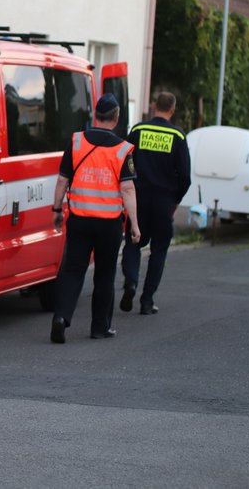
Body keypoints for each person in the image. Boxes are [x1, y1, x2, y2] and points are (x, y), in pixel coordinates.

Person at [50, 93, 141, 344]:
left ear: (95, 115)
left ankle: (61, 318)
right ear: (116, 117)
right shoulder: (123, 150)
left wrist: (57, 210)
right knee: (104, 273)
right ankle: (100, 327)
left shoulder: (77, 142)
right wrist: (134, 223)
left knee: (73, 271)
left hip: (79, 219)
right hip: (109, 224)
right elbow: (128, 190)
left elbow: (62, 180)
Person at [119, 91, 192, 315]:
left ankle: (131, 281)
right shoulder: (178, 136)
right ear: (172, 110)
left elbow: (124, 161)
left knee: (133, 242)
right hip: (163, 203)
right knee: (159, 250)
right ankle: (147, 300)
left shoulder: (138, 130)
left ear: (154, 106)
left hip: (138, 200)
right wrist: (175, 200)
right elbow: (185, 176)